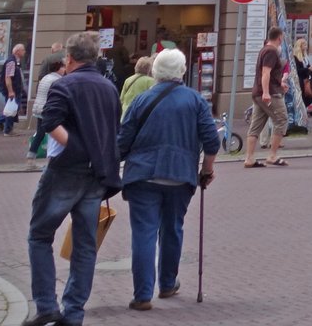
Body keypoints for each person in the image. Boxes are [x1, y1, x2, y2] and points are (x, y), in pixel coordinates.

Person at [25, 32, 121, 326]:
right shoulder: (108, 88)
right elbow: (114, 128)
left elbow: (50, 122)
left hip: (66, 170)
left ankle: (46, 305)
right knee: (85, 244)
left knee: (40, 235)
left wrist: (75, 146)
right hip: (97, 174)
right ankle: (74, 311)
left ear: (69, 57)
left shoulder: (64, 85)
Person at [117, 47, 218, 311]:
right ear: (182, 72)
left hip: (142, 175)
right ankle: (167, 283)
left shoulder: (141, 100)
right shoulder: (195, 100)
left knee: (144, 233)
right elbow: (212, 140)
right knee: (172, 229)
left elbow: (123, 141)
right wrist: (206, 170)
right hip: (179, 175)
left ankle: (142, 295)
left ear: (155, 72)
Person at [242, 26, 289, 168]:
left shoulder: (264, 50)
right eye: (282, 37)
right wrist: (267, 92)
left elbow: (270, 74)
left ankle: (249, 158)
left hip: (258, 93)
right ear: (279, 37)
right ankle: (272, 155)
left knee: (256, 124)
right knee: (282, 120)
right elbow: (266, 73)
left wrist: (280, 83)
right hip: (269, 94)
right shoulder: (271, 51)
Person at [28, 56, 63, 159]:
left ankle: (32, 154)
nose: (64, 69)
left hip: (39, 108)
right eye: (63, 67)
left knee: (40, 133)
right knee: (48, 133)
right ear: (58, 68)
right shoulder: (56, 80)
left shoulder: (46, 77)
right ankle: (36, 155)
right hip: (46, 109)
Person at [0, 43, 28, 135]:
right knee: (11, 110)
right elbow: (8, 77)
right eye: (23, 50)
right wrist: (10, 91)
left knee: (13, 109)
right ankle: (5, 128)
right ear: (17, 51)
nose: (24, 52)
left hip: (16, 89)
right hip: (12, 90)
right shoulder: (11, 62)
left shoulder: (16, 61)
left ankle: (7, 128)